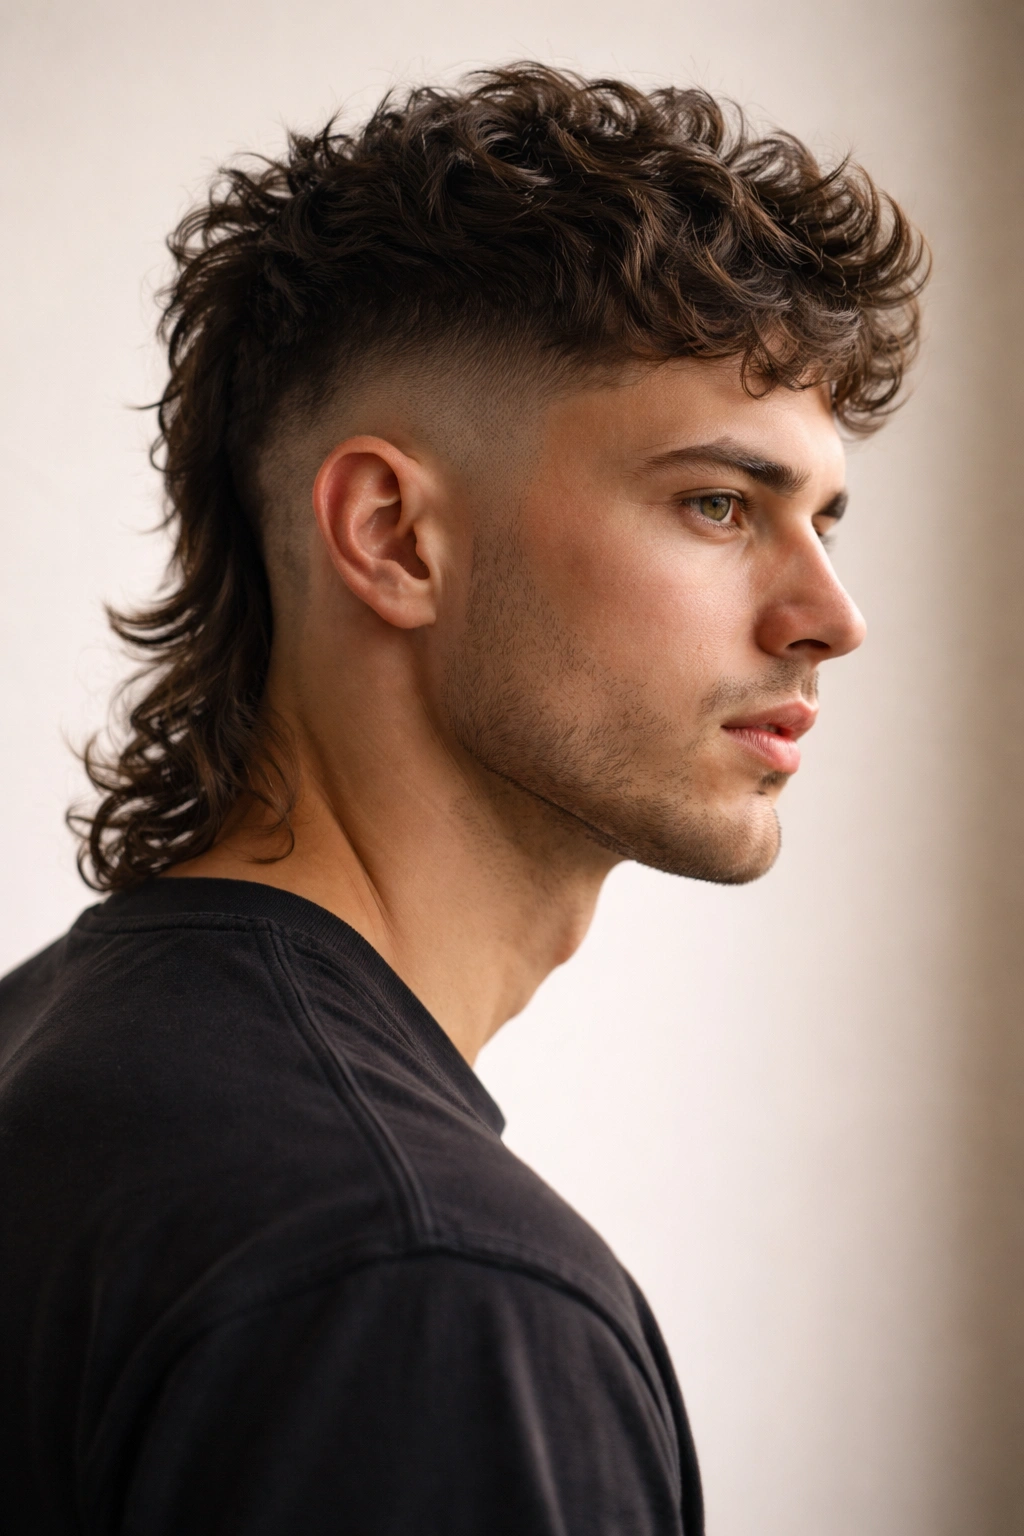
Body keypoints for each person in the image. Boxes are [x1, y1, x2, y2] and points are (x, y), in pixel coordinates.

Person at [0, 64, 926, 1534]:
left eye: (822, 519)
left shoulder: (59, 1055)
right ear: (395, 537)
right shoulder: (415, 1288)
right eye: (719, 503)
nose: (831, 614)